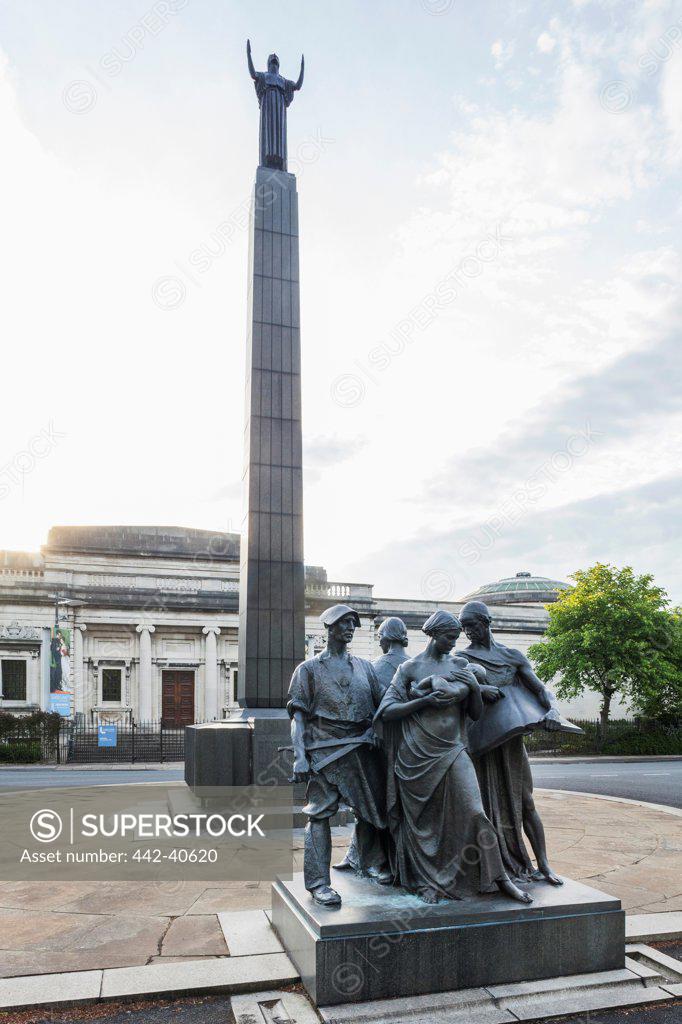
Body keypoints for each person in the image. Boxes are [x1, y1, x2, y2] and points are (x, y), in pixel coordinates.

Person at [374, 610, 532, 906]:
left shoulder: (460, 665)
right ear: (433, 635)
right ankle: (429, 881)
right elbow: (387, 711)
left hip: (453, 749)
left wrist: (473, 686)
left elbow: (474, 712)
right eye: (449, 637)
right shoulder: (409, 668)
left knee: (475, 812)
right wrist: (423, 701)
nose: (453, 643)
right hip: (416, 756)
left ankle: (502, 879)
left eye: (456, 637)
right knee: (428, 825)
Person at [458, 600, 578, 886]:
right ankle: (488, 869)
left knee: (525, 801)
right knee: (482, 807)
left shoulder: (512, 656)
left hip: (510, 742)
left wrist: (553, 711)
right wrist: (477, 688)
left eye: (472, 625)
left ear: (487, 622)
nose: (467, 632)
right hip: (481, 742)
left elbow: (540, 688)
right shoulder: (461, 658)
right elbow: (454, 694)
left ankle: (544, 865)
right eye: (463, 627)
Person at [288, 604, 391, 906]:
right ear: (329, 628)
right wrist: (300, 756)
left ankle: (368, 863)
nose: (349, 628)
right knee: (319, 814)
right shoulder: (308, 670)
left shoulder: (365, 667)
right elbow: (298, 718)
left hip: (361, 749)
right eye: (343, 623)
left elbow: (385, 703)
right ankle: (319, 883)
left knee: (371, 812)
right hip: (325, 751)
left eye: (353, 624)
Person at [334, 616, 410, 875]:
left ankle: (380, 861)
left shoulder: (374, 667)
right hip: (412, 744)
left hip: (380, 744)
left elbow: (365, 707)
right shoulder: (417, 664)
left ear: (385, 639)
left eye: (379, 638)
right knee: (392, 803)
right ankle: (362, 855)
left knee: (372, 802)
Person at [246, 40, 304, 171]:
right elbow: (253, 74)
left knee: (279, 136)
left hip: (279, 109)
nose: (274, 62)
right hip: (268, 107)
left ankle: (279, 162)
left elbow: (298, 85)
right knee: (268, 134)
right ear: (268, 64)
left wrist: (302, 69)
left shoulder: (284, 81)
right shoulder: (263, 76)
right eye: (272, 61)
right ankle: (267, 160)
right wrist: (248, 54)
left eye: (276, 61)